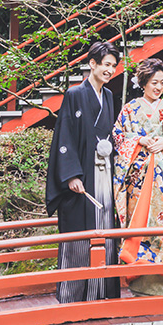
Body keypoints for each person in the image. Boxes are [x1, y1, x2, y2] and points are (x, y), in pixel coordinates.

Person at [46, 39, 121, 303]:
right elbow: (64, 137)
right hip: (83, 175)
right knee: (80, 231)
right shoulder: (75, 94)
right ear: (92, 64)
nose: (110, 70)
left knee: (105, 225)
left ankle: (102, 292)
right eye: (106, 65)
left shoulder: (109, 96)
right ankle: (73, 296)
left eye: (113, 66)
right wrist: (71, 175)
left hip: (105, 169)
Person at [113, 58, 163, 290]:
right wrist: (140, 140)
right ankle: (138, 277)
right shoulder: (129, 109)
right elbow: (118, 136)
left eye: (162, 82)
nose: (158, 87)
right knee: (140, 223)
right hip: (138, 180)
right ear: (143, 82)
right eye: (153, 82)